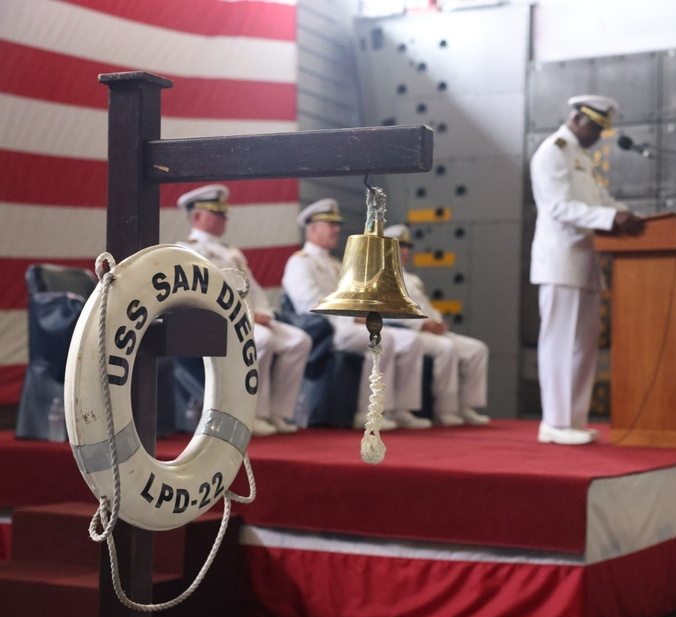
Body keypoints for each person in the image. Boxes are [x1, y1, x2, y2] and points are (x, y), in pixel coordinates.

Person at [529, 94, 645, 445]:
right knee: (560, 344)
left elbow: (599, 200)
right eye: (595, 127)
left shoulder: (579, 157)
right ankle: (554, 422)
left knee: (583, 346)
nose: (598, 135)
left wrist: (626, 213)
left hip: (585, 261)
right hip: (560, 260)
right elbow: (559, 208)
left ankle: (573, 420)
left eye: (601, 129)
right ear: (577, 118)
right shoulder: (552, 153)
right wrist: (612, 219)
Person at [281, 198, 431, 431]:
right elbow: (307, 304)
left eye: (336, 224)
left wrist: (363, 314)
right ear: (312, 229)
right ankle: (368, 412)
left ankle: (399, 408)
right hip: (329, 328)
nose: (336, 229)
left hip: (349, 324)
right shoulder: (300, 262)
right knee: (384, 339)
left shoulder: (336, 264)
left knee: (410, 339)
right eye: (330, 224)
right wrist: (352, 317)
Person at [176, 184, 311, 437]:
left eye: (224, 213)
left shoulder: (230, 251)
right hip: (218, 320)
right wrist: (247, 316)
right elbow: (202, 294)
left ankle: (277, 411)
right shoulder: (188, 250)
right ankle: (251, 415)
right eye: (217, 213)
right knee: (262, 340)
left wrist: (265, 313)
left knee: (298, 340)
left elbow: (254, 289)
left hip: (250, 318)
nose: (224, 218)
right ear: (197, 216)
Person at [383, 224, 490, 426]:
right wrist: (422, 326)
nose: (406, 251)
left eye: (407, 247)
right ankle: (444, 410)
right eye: (400, 246)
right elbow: (387, 312)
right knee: (446, 348)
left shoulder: (412, 279)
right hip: (408, 330)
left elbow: (427, 307)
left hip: (431, 329)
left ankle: (466, 406)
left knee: (477, 349)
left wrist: (438, 322)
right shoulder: (381, 276)